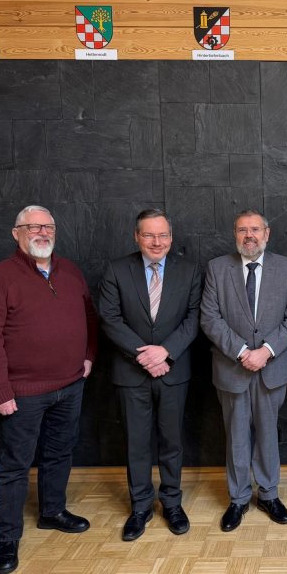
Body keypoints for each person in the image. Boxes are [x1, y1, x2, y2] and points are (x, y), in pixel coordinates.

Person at [0, 205, 97, 574]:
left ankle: (52, 511)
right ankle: (7, 538)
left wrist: (88, 355)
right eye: (32, 227)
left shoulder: (70, 271)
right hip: (21, 392)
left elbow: (89, 316)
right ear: (16, 233)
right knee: (13, 467)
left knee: (59, 454)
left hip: (70, 384)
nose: (41, 232)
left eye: (47, 226)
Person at [98, 209, 202, 541]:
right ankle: (141, 506)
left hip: (174, 370)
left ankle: (171, 502)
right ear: (136, 237)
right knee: (137, 444)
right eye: (149, 235)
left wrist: (166, 352)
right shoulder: (116, 270)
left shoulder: (190, 271)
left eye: (163, 235)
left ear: (171, 238)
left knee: (172, 442)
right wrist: (145, 355)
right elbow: (110, 319)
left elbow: (194, 316)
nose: (156, 242)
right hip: (131, 372)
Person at [200, 209, 287, 532]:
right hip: (233, 368)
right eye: (243, 230)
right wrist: (243, 352)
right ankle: (239, 498)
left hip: (273, 368)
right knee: (236, 435)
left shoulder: (285, 268)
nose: (250, 235)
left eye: (255, 229)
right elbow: (209, 317)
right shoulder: (218, 269)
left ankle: (269, 494)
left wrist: (266, 351)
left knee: (268, 432)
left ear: (267, 234)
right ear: (235, 234)